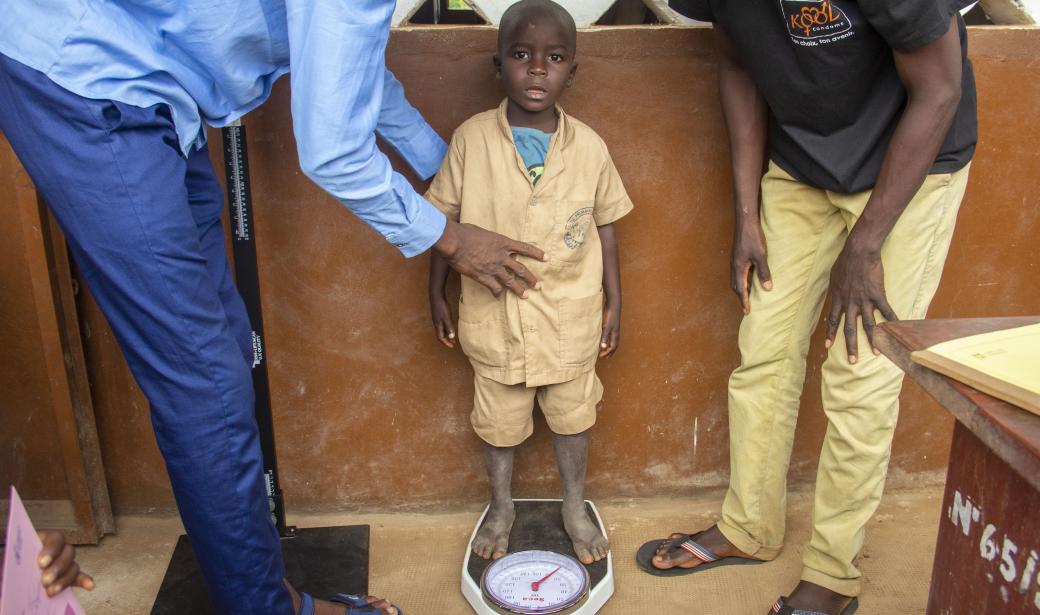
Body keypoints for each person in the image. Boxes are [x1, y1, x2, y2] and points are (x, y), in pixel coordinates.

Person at [0, 1, 549, 613]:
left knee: (225, 358)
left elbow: (355, 75)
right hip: (84, 79)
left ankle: (259, 589)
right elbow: (333, 150)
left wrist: (450, 172)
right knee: (205, 387)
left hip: (160, 94)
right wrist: (451, 238)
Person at [637, 0, 977, 613]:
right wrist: (747, 216)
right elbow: (738, 65)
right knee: (763, 349)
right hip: (802, 166)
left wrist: (866, 246)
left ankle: (832, 572)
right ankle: (750, 527)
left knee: (860, 374)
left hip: (910, 170)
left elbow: (940, 90)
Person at [426, 0, 633, 566]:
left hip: (570, 318)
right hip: (495, 317)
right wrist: (435, 294)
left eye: (554, 58)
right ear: (498, 64)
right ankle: (501, 506)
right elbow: (443, 222)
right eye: (521, 55)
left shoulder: (589, 147)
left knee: (573, 417)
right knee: (498, 422)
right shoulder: (471, 139)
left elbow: (606, 227)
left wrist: (615, 300)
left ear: (573, 69)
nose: (537, 69)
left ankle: (573, 502)